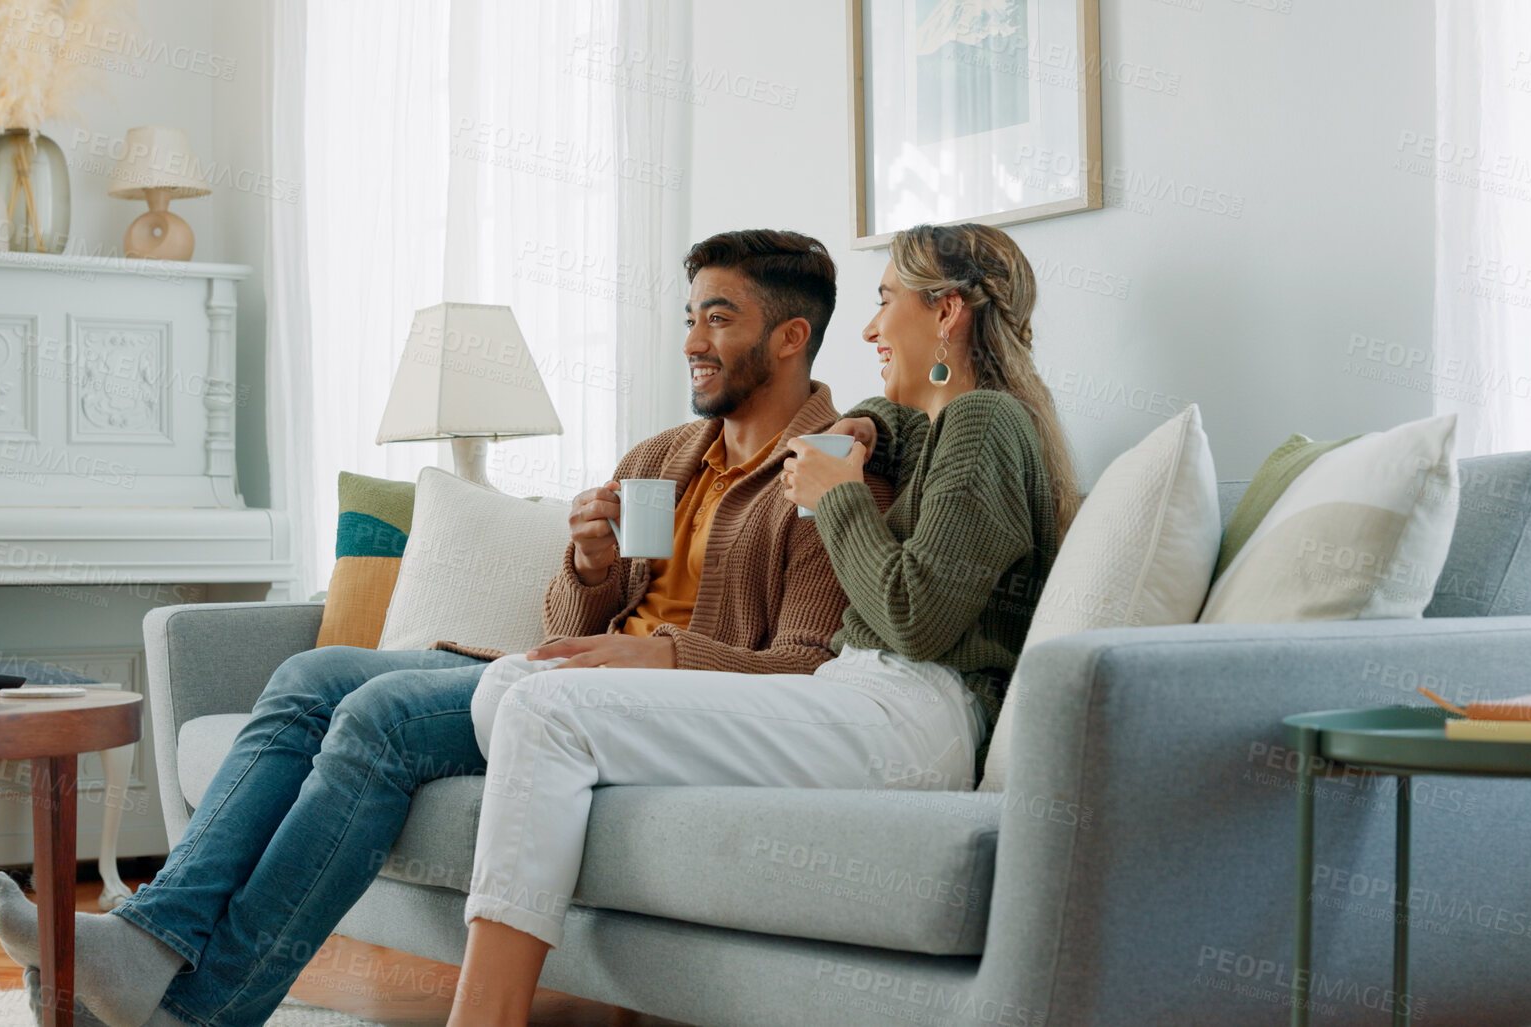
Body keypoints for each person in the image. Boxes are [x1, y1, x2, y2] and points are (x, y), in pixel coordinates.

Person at [0, 228, 885, 1027]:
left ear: (790, 335)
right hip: (556, 677)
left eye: (718, 318)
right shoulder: (660, 458)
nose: (691, 341)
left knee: (381, 719)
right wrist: (590, 567)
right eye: (689, 315)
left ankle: (210, 1004)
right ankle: (148, 939)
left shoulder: (831, 472)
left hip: (649, 712)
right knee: (311, 677)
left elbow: (802, 668)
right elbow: (567, 622)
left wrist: (656, 653)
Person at [443, 222, 1082, 1026]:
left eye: (885, 301)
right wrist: (867, 429)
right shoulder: (953, 425)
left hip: (916, 711)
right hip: (863, 696)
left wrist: (837, 497)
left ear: (946, 311)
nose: (870, 327)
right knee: (505, 688)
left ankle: (482, 1016)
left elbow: (916, 620)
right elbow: (894, 419)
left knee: (541, 706)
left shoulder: (989, 423)